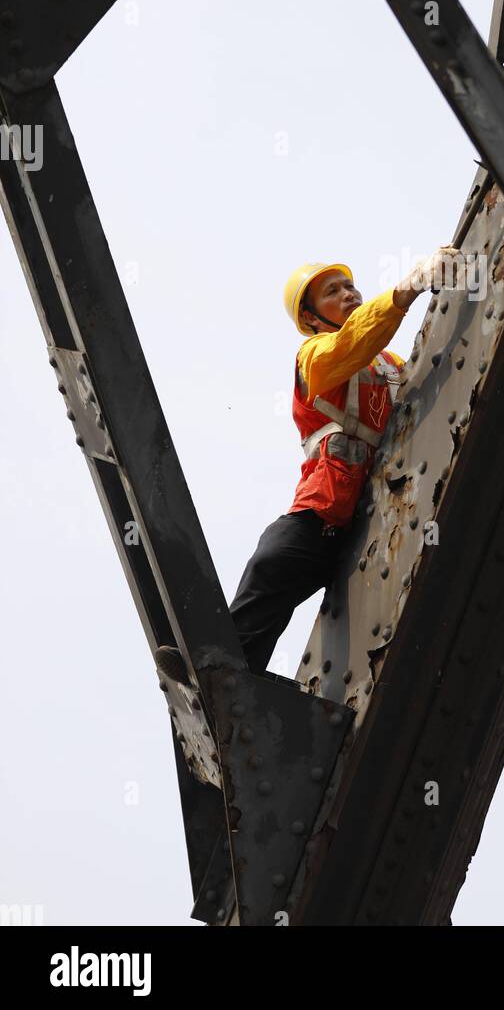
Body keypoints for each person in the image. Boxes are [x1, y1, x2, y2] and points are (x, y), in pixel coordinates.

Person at [154, 246, 461, 686]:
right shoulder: (315, 357)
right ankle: (224, 671)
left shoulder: (391, 365)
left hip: (384, 509)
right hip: (326, 514)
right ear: (312, 319)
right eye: (333, 292)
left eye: (349, 285)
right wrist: (409, 286)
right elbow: (353, 343)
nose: (349, 293)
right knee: (273, 561)